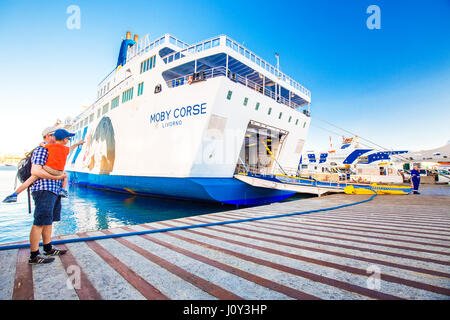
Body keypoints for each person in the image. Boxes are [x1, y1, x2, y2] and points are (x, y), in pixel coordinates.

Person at [3, 129, 84, 202]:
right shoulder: (65, 149)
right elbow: (71, 148)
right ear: (64, 140)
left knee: (33, 177)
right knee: (65, 176)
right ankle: (63, 190)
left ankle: (15, 194)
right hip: (59, 172)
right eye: (68, 139)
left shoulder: (50, 147)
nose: (68, 140)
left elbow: (42, 144)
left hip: (49, 169)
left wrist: (41, 144)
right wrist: (77, 143)